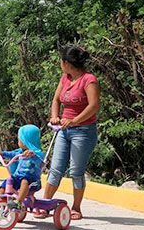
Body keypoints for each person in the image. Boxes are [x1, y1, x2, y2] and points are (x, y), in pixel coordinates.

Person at [39, 46, 100, 220]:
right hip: (63, 131)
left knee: (76, 171)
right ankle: (44, 205)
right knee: (55, 168)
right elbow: (56, 99)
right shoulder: (65, 78)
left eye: (61, 61)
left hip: (83, 131)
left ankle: (76, 208)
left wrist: (75, 120)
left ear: (66, 63)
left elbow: (94, 106)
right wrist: (54, 116)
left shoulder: (89, 80)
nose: (60, 64)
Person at [0, 125, 44, 209]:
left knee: (25, 181)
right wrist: (1, 153)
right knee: (6, 183)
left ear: (26, 141)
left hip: (33, 181)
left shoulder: (37, 153)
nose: (18, 141)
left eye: (19, 139)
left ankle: (18, 203)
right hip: (18, 178)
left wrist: (31, 153)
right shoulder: (20, 151)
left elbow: (38, 156)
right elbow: (11, 154)